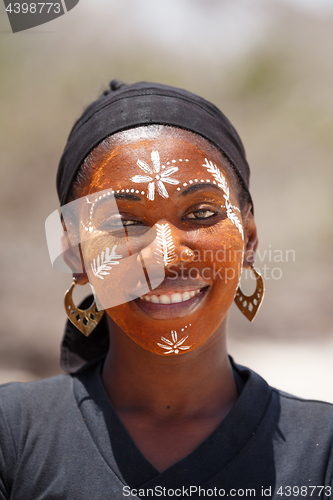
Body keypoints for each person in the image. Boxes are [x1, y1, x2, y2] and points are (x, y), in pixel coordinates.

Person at [0, 81, 332, 500]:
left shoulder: (323, 452)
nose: (166, 256)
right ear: (74, 254)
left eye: (202, 212)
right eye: (124, 223)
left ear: (248, 239)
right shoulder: (12, 435)